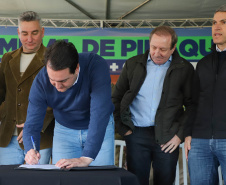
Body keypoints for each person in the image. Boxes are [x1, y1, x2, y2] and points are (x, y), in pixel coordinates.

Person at [112, 26, 194, 185]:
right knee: (135, 182)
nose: (157, 53)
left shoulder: (185, 69)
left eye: (163, 49)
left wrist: (179, 136)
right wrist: (123, 129)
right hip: (136, 134)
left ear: (173, 48)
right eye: (153, 47)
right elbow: (116, 98)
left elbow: (192, 105)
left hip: (168, 137)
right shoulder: (132, 64)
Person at [23, 40, 115, 168]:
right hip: (64, 130)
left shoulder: (95, 65)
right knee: (64, 178)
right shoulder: (41, 81)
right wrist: (31, 150)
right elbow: (32, 122)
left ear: (76, 68)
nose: (57, 86)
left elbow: (100, 112)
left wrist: (87, 157)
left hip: (99, 127)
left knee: (101, 178)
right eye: (52, 80)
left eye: (63, 80)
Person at [0, 11, 54, 165]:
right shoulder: (7, 58)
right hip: (7, 137)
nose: (29, 39)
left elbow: (56, 98)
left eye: (34, 33)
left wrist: (34, 124)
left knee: (36, 181)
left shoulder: (53, 59)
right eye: (24, 33)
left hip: (39, 138)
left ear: (42, 32)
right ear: (18, 33)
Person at [184, 4, 226, 185]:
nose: (216, 27)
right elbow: (193, 101)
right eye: (214, 22)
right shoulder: (203, 63)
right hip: (199, 141)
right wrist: (188, 134)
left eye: (223, 22)